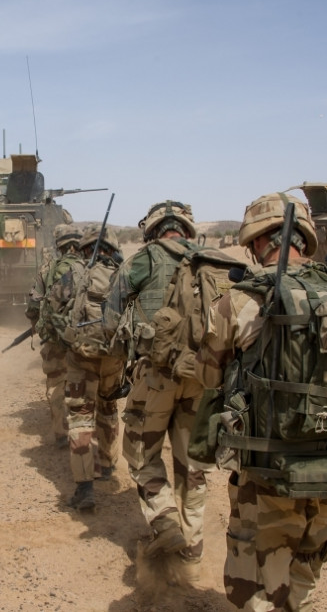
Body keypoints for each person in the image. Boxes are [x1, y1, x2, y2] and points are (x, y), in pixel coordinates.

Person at [192, 192, 327, 610]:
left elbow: (207, 376)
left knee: (254, 580)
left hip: (271, 468)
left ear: (257, 241)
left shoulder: (243, 299)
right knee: (304, 565)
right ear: (304, 239)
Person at [101, 200, 211, 567]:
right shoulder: (212, 260)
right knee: (192, 466)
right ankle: (191, 550)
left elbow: (110, 313)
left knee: (140, 454)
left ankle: (164, 520)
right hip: (200, 378)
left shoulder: (144, 259)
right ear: (187, 228)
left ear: (151, 230)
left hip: (154, 375)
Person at [59, 227, 125, 511]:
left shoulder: (73, 274)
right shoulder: (125, 275)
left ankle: (85, 487)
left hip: (80, 359)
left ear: (85, 249)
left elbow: (54, 309)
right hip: (113, 359)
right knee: (109, 409)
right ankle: (108, 465)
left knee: (80, 419)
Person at [26, 223, 82, 448]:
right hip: (84, 338)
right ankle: (86, 429)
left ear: (58, 245)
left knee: (57, 382)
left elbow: (33, 304)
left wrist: (35, 324)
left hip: (54, 338)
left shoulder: (47, 269)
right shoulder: (89, 266)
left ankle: (61, 432)